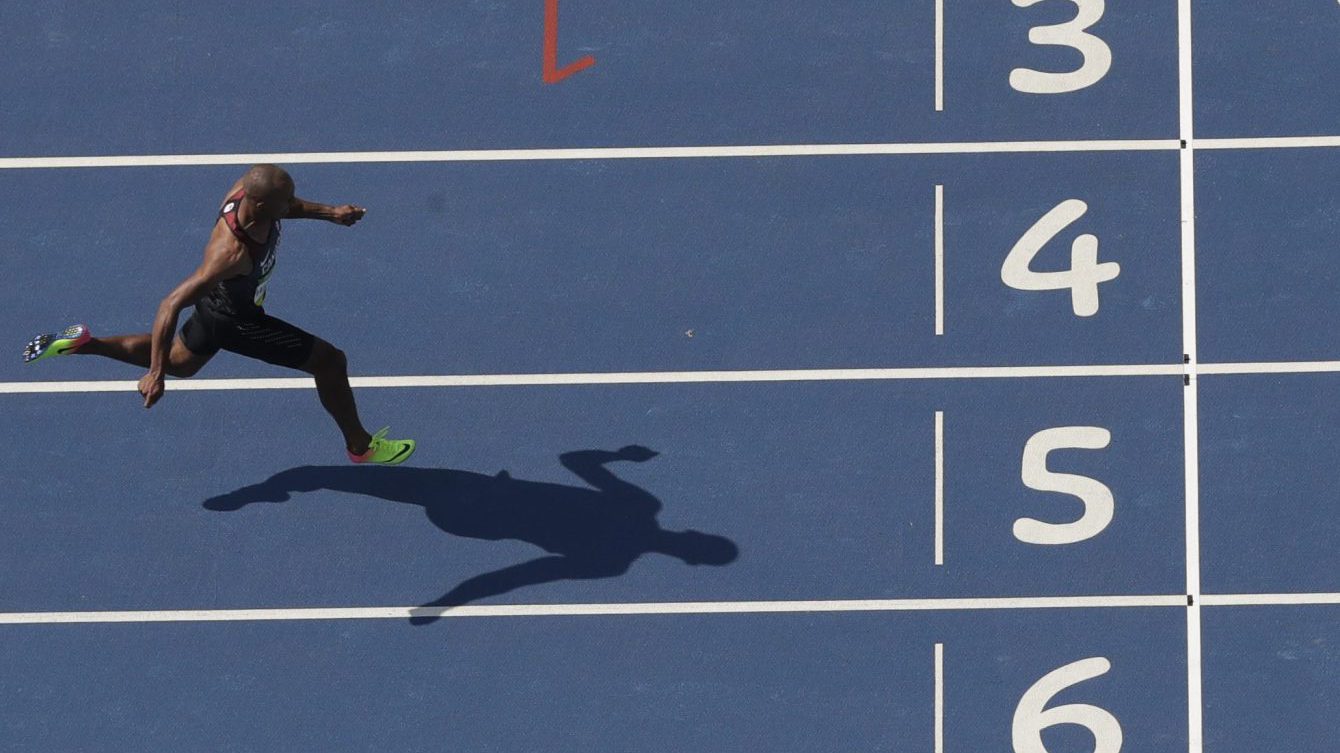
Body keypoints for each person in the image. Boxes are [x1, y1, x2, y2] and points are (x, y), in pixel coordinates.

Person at [22, 164, 415, 465]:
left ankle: (83, 344)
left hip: (215, 310)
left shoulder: (247, 192)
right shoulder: (229, 254)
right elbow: (170, 303)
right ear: (260, 205)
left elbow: (286, 205)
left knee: (182, 362)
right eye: (284, 203)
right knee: (330, 361)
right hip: (237, 320)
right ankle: (360, 447)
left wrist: (329, 213)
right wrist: (154, 374)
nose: (291, 205)